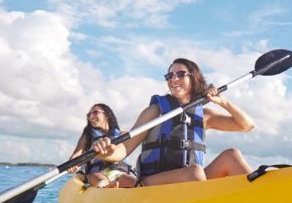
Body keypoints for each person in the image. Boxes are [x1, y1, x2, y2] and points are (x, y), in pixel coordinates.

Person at [92, 58, 255, 186]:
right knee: (195, 172)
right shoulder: (156, 111)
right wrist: (108, 152)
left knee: (231, 155)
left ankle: (259, 199)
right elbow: (125, 149)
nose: (173, 79)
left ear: (194, 78)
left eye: (180, 74)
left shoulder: (204, 116)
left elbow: (247, 125)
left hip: (191, 180)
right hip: (153, 183)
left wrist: (224, 103)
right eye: (169, 76)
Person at [68, 103, 137, 188]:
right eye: (89, 114)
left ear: (106, 115)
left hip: (119, 172)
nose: (91, 116)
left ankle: (115, 186)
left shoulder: (122, 134)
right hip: (97, 173)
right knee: (102, 181)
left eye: (95, 112)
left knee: (135, 182)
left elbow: (127, 147)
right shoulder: (87, 136)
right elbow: (76, 155)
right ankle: (107, 187)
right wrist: (72, 164)